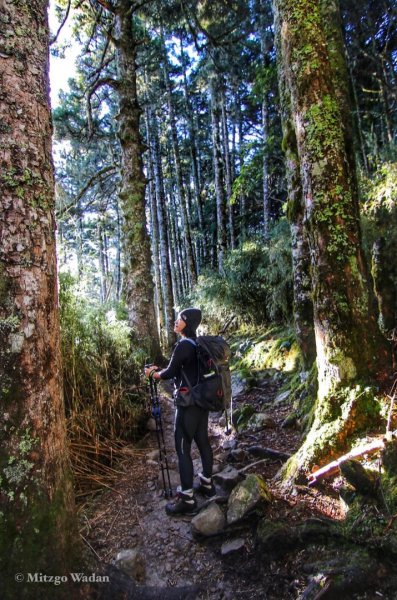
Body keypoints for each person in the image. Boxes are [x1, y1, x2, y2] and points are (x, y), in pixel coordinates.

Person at [144, 308, 216, 515]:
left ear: (189, 323)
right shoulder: (198, 343)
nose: (176, 322)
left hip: (187, 404)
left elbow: (170, 373)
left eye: (181, 319)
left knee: (183, 447)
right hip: (201, 401)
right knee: (203, 441)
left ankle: (187, 499)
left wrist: (153, 374)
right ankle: (207, 484)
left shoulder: (184, 345)